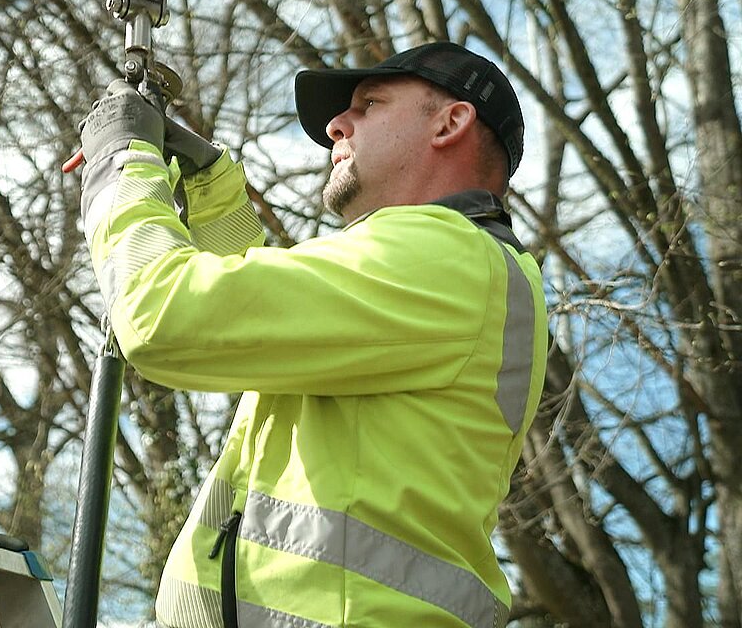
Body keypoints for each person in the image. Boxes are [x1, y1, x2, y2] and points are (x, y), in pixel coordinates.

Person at [76, 42, 547, 628]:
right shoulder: (449, 268)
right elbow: (250, 325)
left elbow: (163, 317)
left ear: (450, 123)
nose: (334, 127)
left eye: (369, 104)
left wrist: (120, 162)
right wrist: (210, 188)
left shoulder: (449, 256)